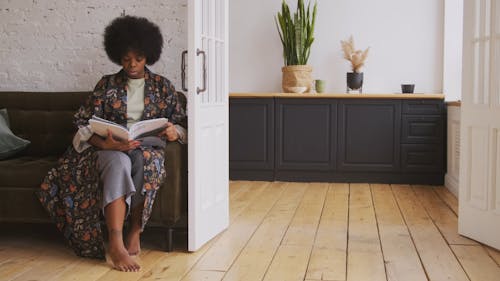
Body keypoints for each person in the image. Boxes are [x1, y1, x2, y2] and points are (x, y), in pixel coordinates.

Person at [37, 15, 187, 272]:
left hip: (146, 147)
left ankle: (135, 231)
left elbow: (182, 122)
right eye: (126, 59)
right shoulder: (106, 84)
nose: (131, 64)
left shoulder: (163, 87)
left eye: (137, 59)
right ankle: (116, 243)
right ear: (117, 55)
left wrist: (177, 132)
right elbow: (82, 123)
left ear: (148, 56)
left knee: (146, 161)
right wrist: (103, 143)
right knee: (118, 162)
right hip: (108, 148)